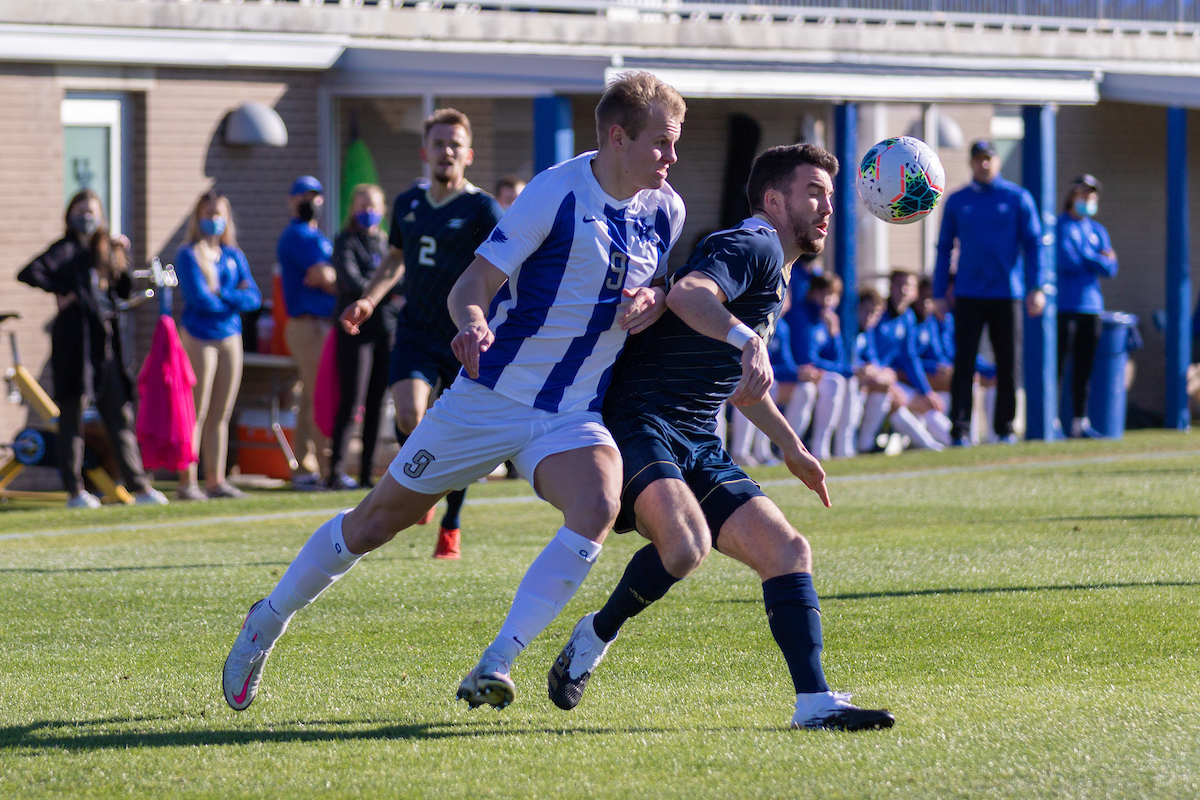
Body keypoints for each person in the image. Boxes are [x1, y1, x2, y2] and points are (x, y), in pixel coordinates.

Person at [222, 71, 687, 714]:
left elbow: (654, 287)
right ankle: (266, 621)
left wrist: (653, 300)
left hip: (570, 412)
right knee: (375, 523)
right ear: (616, 137)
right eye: (662, 143)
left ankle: (495, 663)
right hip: (490, 398)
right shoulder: (553, 194)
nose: (671, 156)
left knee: (598, 505)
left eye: (676, 142)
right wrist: (472, 324)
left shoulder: (667, 208)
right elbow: (469, 286)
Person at [544, 144, 894, 731]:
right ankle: (596, 634)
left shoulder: (776, 270)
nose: (827, 206)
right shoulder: (751, 244)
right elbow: (689, 295)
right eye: (814, 192)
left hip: (697, 436)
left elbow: (740, 385)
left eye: (830, 196)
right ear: (774, 200)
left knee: (788, 552)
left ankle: (814, 703)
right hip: (641, 419)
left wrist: (792, 447)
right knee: (685, 546)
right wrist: (747, 339)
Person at [340, 108, 505, 558]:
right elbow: (394, 259)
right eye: (439, 143)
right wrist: (370, 299)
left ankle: (450, 523)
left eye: (454, 144)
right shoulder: (408, 204)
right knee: (412, 415)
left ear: (467, 154)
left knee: (456, 435)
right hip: (415, 329)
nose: (446, 151)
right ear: (424, 152)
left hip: (463, 336)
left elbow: (504, 270)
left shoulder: (482, 208)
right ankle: (422, 485)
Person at [17, 189, 168, 508]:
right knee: (72, 414)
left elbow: (123, 289)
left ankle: (139, 486)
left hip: (106, 342)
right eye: (82, 210)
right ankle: (75, 491)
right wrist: (63, 291)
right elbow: (30, 272)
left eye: (93, 211)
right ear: (71, 214)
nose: (87, 216)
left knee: (118, 412)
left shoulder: (104, 249)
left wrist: (121, 256)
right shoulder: (65, 250)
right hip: (74, 343)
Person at [934, 139, 1046, 446]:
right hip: (969, 293)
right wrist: (940, 292)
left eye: (988, 159)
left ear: (996, 161)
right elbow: (944, 248)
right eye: (978, 159)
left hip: (1007, 293)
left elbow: (1035, 244)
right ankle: (960, 430)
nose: (983, 164)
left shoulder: (1017, 198)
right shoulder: (958, 201)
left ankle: (1005, 428)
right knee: (964, 362)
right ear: (971, 163)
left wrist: (1038, 287)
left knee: (1008, 363)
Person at [174, 190, 261, 500]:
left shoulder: (233, 255)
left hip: (230, 336)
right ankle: (188, 481)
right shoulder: (188, 254)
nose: (214, 220)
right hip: (199, 336)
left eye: (219, 214)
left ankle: (216, 479)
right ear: (198, 218)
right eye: (208, 214)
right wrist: (230, 296)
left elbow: (253, 298)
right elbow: (200, 299)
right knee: (195, 411)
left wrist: (224, 295)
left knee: (221, 414)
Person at [328, 184, 394, 490]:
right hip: (355, 330)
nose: (368, 212)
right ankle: (335, 471)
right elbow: (350, 280)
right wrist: (382, 288)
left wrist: (382, 287)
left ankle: (367, 473)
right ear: (353, 210)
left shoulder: (387, 244)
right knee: (352, 400)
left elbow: (401, 280)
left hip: (385, 330)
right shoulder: (345, 241)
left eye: (374, 206)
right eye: (362, 206)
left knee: (378, 403)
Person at [277, 175, 337, 489]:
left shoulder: (317, 235)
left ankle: (304, 465)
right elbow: (325, 276)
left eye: (315, 196)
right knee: (320, 394)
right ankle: (327, 468)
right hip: (308, 323)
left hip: (319, 324)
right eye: (303, 196)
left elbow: (329, 274)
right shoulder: (298, 235)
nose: (310, 202)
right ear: (292, 201)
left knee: (310, 397)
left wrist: (333, 275)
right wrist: (344, 279)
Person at [857, 270, 948, 452]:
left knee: (926, 402)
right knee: (897, 399)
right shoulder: (878, 313)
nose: (904, 290)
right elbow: (870, 350)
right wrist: (886, 379)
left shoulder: (908, 317)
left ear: (915, 292)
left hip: (887, 380)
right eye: (900, 285)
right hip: (873, 378)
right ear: (891, 287)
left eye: (909, 286)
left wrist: (926, 391)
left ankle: (949, 441)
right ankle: (929, 445)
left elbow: (910, 357)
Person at [1056, 174, 1118, 439]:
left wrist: (1092, 260)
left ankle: (1079, 423)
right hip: (1065, 307)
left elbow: (1111, 268)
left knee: (1084, 368)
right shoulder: (1061, 226)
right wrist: (1096, 259)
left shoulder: (1097, 230)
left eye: (1092, 195)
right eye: (1084, 194)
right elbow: (1067, 259)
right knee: (1058, 366)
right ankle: (1053, 421)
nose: (1089, 199)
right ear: (1072, 196)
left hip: (1091, 307)